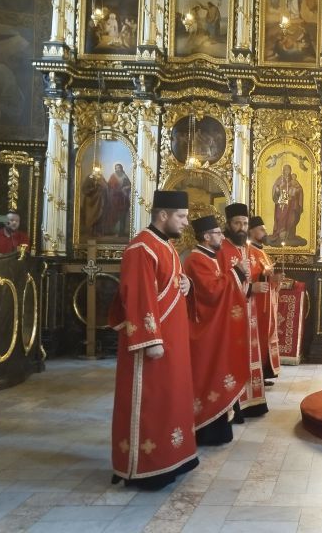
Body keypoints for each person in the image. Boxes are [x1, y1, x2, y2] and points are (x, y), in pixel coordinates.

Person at [108, 190, 198, 490]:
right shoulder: (141, 248)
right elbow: (138, 296)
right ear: (163, 216)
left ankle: (173, 456)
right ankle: (147, 465)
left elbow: (168, 283)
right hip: (151, 344)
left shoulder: (166, 246)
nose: (186, 222)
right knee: (151, 401)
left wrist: (185, 284)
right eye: (182, 217)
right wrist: (151, 339)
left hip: (173, 341)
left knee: (171, 398)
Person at [183, 215, 251, 446]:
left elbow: (218, 285)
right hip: (204, 329)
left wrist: (234, 274)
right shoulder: (196, 259)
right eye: (218, 233)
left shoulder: (209, 257)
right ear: (205, 236)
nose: (222, 236)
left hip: (215, 327)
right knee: (208, 374)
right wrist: (237, 273)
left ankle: (220, 424)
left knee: (219, 371)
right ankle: (206, 428)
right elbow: (212, 292)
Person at [217, 203, 267, 419]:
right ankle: (235, 405)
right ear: (228, 224)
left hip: (250, 311)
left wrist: (260, 283)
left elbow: (253, 274)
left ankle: (251, 401)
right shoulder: (220, 249)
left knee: (250, 353)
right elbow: (219, 283)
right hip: (230, 314)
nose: (242, 227)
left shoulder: (246, 248)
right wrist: (250, 289)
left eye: (245, 223)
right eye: (237, 223)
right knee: (235, 356)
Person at [247, 215, 281, 384]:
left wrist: (275, 279)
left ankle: (263, 372)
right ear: (251, 231)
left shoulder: (262, 251)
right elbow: (248, 276)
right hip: (256, 304)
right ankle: (256, 373)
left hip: (267, 302)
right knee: (257, 338)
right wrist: (263, 274)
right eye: (261, 229)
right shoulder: (247, 250)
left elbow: (269, 277)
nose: (265, 231)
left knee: (266, 336)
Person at [271, 165, 304, 245]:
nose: (287, 171)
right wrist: (277, 189)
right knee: (280, 217)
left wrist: (296, 191)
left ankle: (289, 235)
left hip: (291, 203)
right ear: (283, 171)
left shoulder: (293, 179)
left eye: (288, 170)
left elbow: (299, 189)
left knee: (291, 218)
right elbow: (275, 188)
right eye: (285, 170)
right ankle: (279, 234)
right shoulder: (280, 179)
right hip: (282, 202)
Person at [106, 163, 131, 237]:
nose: (118, 169)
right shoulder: (113, 176)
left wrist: (125, 188)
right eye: (116, 168)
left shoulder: (124, 176)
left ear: (121, 168)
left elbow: (129, 185)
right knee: (114, 215)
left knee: (122, 215)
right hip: (115, 199)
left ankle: (121, 232)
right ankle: (112, 231)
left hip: (123, 199)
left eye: (119, 168)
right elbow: (109, 186)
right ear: (115, 169)